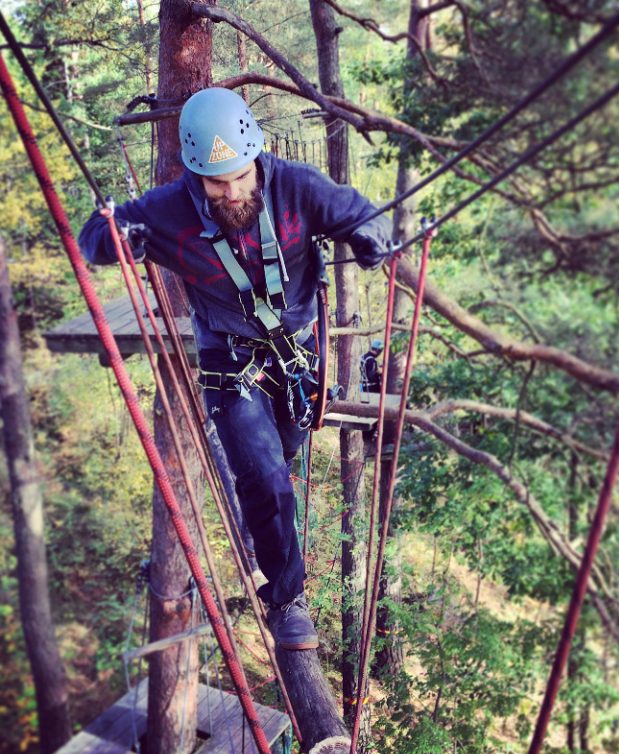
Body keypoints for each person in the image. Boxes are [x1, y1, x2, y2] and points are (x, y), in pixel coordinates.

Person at [79, 87, 390, 650]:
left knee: (286, 449)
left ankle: (262, 495)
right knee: (266, 475)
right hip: (231, 361)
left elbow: (362, 216)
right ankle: (287, 599)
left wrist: (369, 238)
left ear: (256, 156)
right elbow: (93, 236)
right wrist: (123, 237)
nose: (231, 191)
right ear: (195, 174)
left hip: (297, 352)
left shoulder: (297, 188)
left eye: (240, 177)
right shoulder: (170, 210)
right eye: (217, 183)